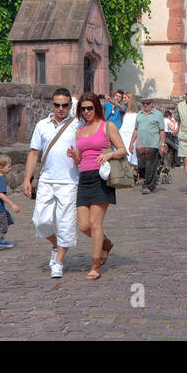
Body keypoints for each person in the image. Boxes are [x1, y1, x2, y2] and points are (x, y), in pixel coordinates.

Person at [24, 89, 80, 279]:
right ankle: (56, 245)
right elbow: (33, 153)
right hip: (46, 179)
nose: (61, 108)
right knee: (40, 221)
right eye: (57, 105)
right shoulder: (42, 125)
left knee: (65, 222)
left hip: (69, 181)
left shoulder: (77, 125)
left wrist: (77, 157)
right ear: (52, 105)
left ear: (70, 106)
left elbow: (85, 152)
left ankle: (58, 262)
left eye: (65, 105)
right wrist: (26, 179)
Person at [71, 92, 127, 280]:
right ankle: (106, 244)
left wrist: (109, 155)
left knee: (95, 223)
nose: (87, 112)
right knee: (84, 225)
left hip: (101, 178)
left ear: (97, 107)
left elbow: (121, 150)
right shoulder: (79, 131)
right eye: (83, 109)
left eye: (90, 108)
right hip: (84, 179)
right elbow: (81, 158)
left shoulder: (107, 126)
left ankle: (95, 265)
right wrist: (74, 156)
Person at [130, 97, 166, 194]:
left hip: (153, 144)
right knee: (141, 166)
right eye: (143, 103)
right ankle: (152, 180)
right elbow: (136, 130)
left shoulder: (158, 115)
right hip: (140, 145)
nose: (145, 105)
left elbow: (162, 131)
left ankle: (148, 186)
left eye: (147, 103)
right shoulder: (139, 114)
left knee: (150, 165)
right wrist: (131, 143)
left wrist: (162, 144)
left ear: (152, 103)